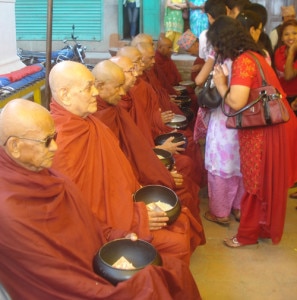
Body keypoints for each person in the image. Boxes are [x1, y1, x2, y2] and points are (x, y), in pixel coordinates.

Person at [0, 98, 201, 300]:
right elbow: (50, 277)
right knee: (150, 284)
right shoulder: (9, 209)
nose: (54, 147)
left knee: (175, 270)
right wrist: (104, 289)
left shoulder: (45, 174)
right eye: (46, 141)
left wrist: (117, 235)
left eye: (55, 137)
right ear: (15, 146)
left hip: (95, 257)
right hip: (74, 285)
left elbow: (89, 221)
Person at [49, 60, 197, 264]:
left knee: (180, 220)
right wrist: (135, 219)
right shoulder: (61, 141)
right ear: (65, 94)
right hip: (104, 228)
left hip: (122, 205)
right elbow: (80, 209)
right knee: (176, 240)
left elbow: (118, 173)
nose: (95, 92)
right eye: (89, 87)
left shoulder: (91, 123)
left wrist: (139, 195)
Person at [93, 57, 205, 250]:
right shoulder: (94, 120)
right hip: (120, 193)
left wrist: (155, 160)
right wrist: (135, 214)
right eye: (131, 68)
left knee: (184, 167)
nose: (137, 72)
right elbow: (105, 178)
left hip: (133, 174)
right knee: (179, 215)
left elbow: (135, 143)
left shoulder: (115, 105)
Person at [208, 16, 290, 247]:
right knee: (260, 182)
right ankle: (261, 226)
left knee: (253, 184)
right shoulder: (256, 55)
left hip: (258, 132)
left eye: (216, 44)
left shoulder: (244, 61)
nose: (216, 50)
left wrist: (222, 83)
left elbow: (236, 101)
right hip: (269, 128)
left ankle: (247, 235)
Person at [116, 46, 204, 221]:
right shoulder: (111, 108)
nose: (137, 72)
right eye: (132, 67)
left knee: (186, 147)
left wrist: (159, 122)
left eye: (139, 63)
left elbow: (144, 123)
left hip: (147, 148)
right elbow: (125, 152)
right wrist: (157, 150)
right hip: (136, 167)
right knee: (184, 164)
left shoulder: (135, 90)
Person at [195, 0, 244, 225]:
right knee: (239, 165)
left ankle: (220, 212)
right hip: (243, 119)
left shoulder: (221, 57)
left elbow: (199, 80)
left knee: (220, 164)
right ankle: (239, 208)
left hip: (224, 116)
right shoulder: (249, 58)